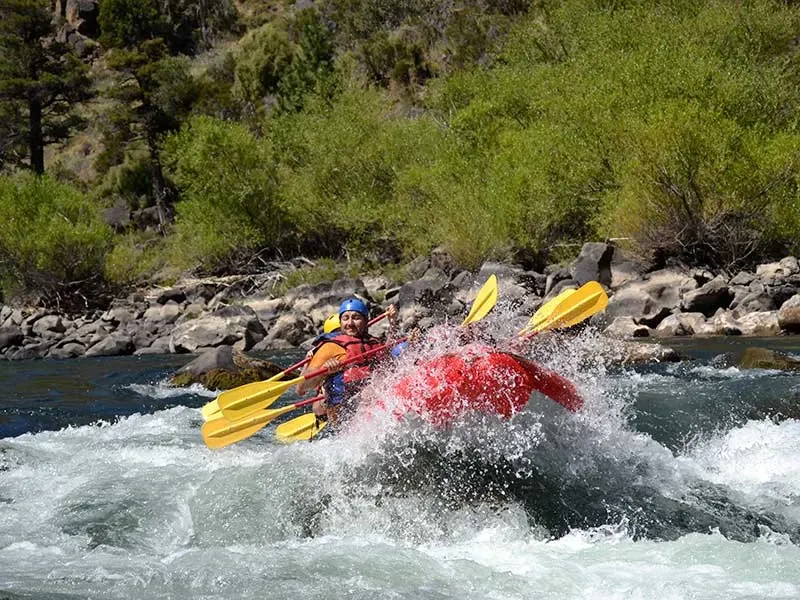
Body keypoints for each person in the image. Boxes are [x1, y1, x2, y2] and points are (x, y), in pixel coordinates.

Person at [297, 297, 398, 423]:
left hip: (370, 406)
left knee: (377, 385)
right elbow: (301, 388)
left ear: (365, 321)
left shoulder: (373, 343)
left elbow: (389, 363)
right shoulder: (330, 347)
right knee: (369, 393)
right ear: (340, 322)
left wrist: (392, 324)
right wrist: (324, 371)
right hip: (343, 414)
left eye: (356, 318)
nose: (350, 323)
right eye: (345, 318)